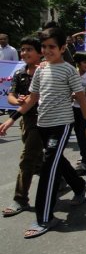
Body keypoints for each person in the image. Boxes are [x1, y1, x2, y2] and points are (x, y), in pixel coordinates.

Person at [0, 27, 86, 238]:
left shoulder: (69, 70)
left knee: (48, 169)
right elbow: (32, 99)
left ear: (62, 48)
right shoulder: (41, 70)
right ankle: (80, 185)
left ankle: (44, 218)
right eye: (44, 46)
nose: (47, 50)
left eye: (52, 46)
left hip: (61, 126)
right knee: (56, 161)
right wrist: (11, 120)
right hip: (42, 125)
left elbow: (81, 98)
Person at [2, 37, 44, 217]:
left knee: (27, 158)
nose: (25, 53)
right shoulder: (20, 73)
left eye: (29, 49)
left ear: (39, 52)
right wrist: (16, 100)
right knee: (37, 159)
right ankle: (67, 181)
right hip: (25, 119)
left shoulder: (46, 72)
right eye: (23, 49)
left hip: (42, 120)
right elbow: (11, 96)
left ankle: (20, 199)